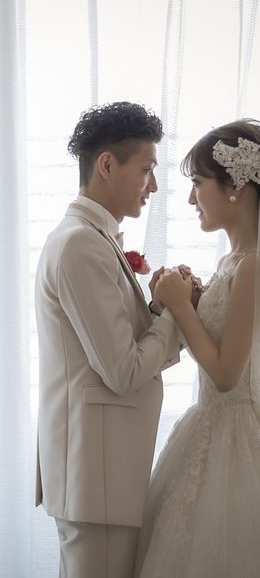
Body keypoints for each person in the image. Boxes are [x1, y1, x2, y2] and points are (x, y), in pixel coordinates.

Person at [35, 101, 187, 578]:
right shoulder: (80, 243)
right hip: (96, 478)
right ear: (106, 165)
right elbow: (122, 371)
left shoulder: (88, 238)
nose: (153, 185)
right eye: (146, 169)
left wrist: (157, 310)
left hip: (99, 476)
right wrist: (176, 313)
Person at [134, 119, 260, 578]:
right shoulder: (231, 262)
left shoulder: (253, 265)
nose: (191, 199)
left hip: (235, 435)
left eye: (198, 183)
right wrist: (191, 302)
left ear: (236, 187)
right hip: (208, 426)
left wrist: (182, 307)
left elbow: (226, 376)